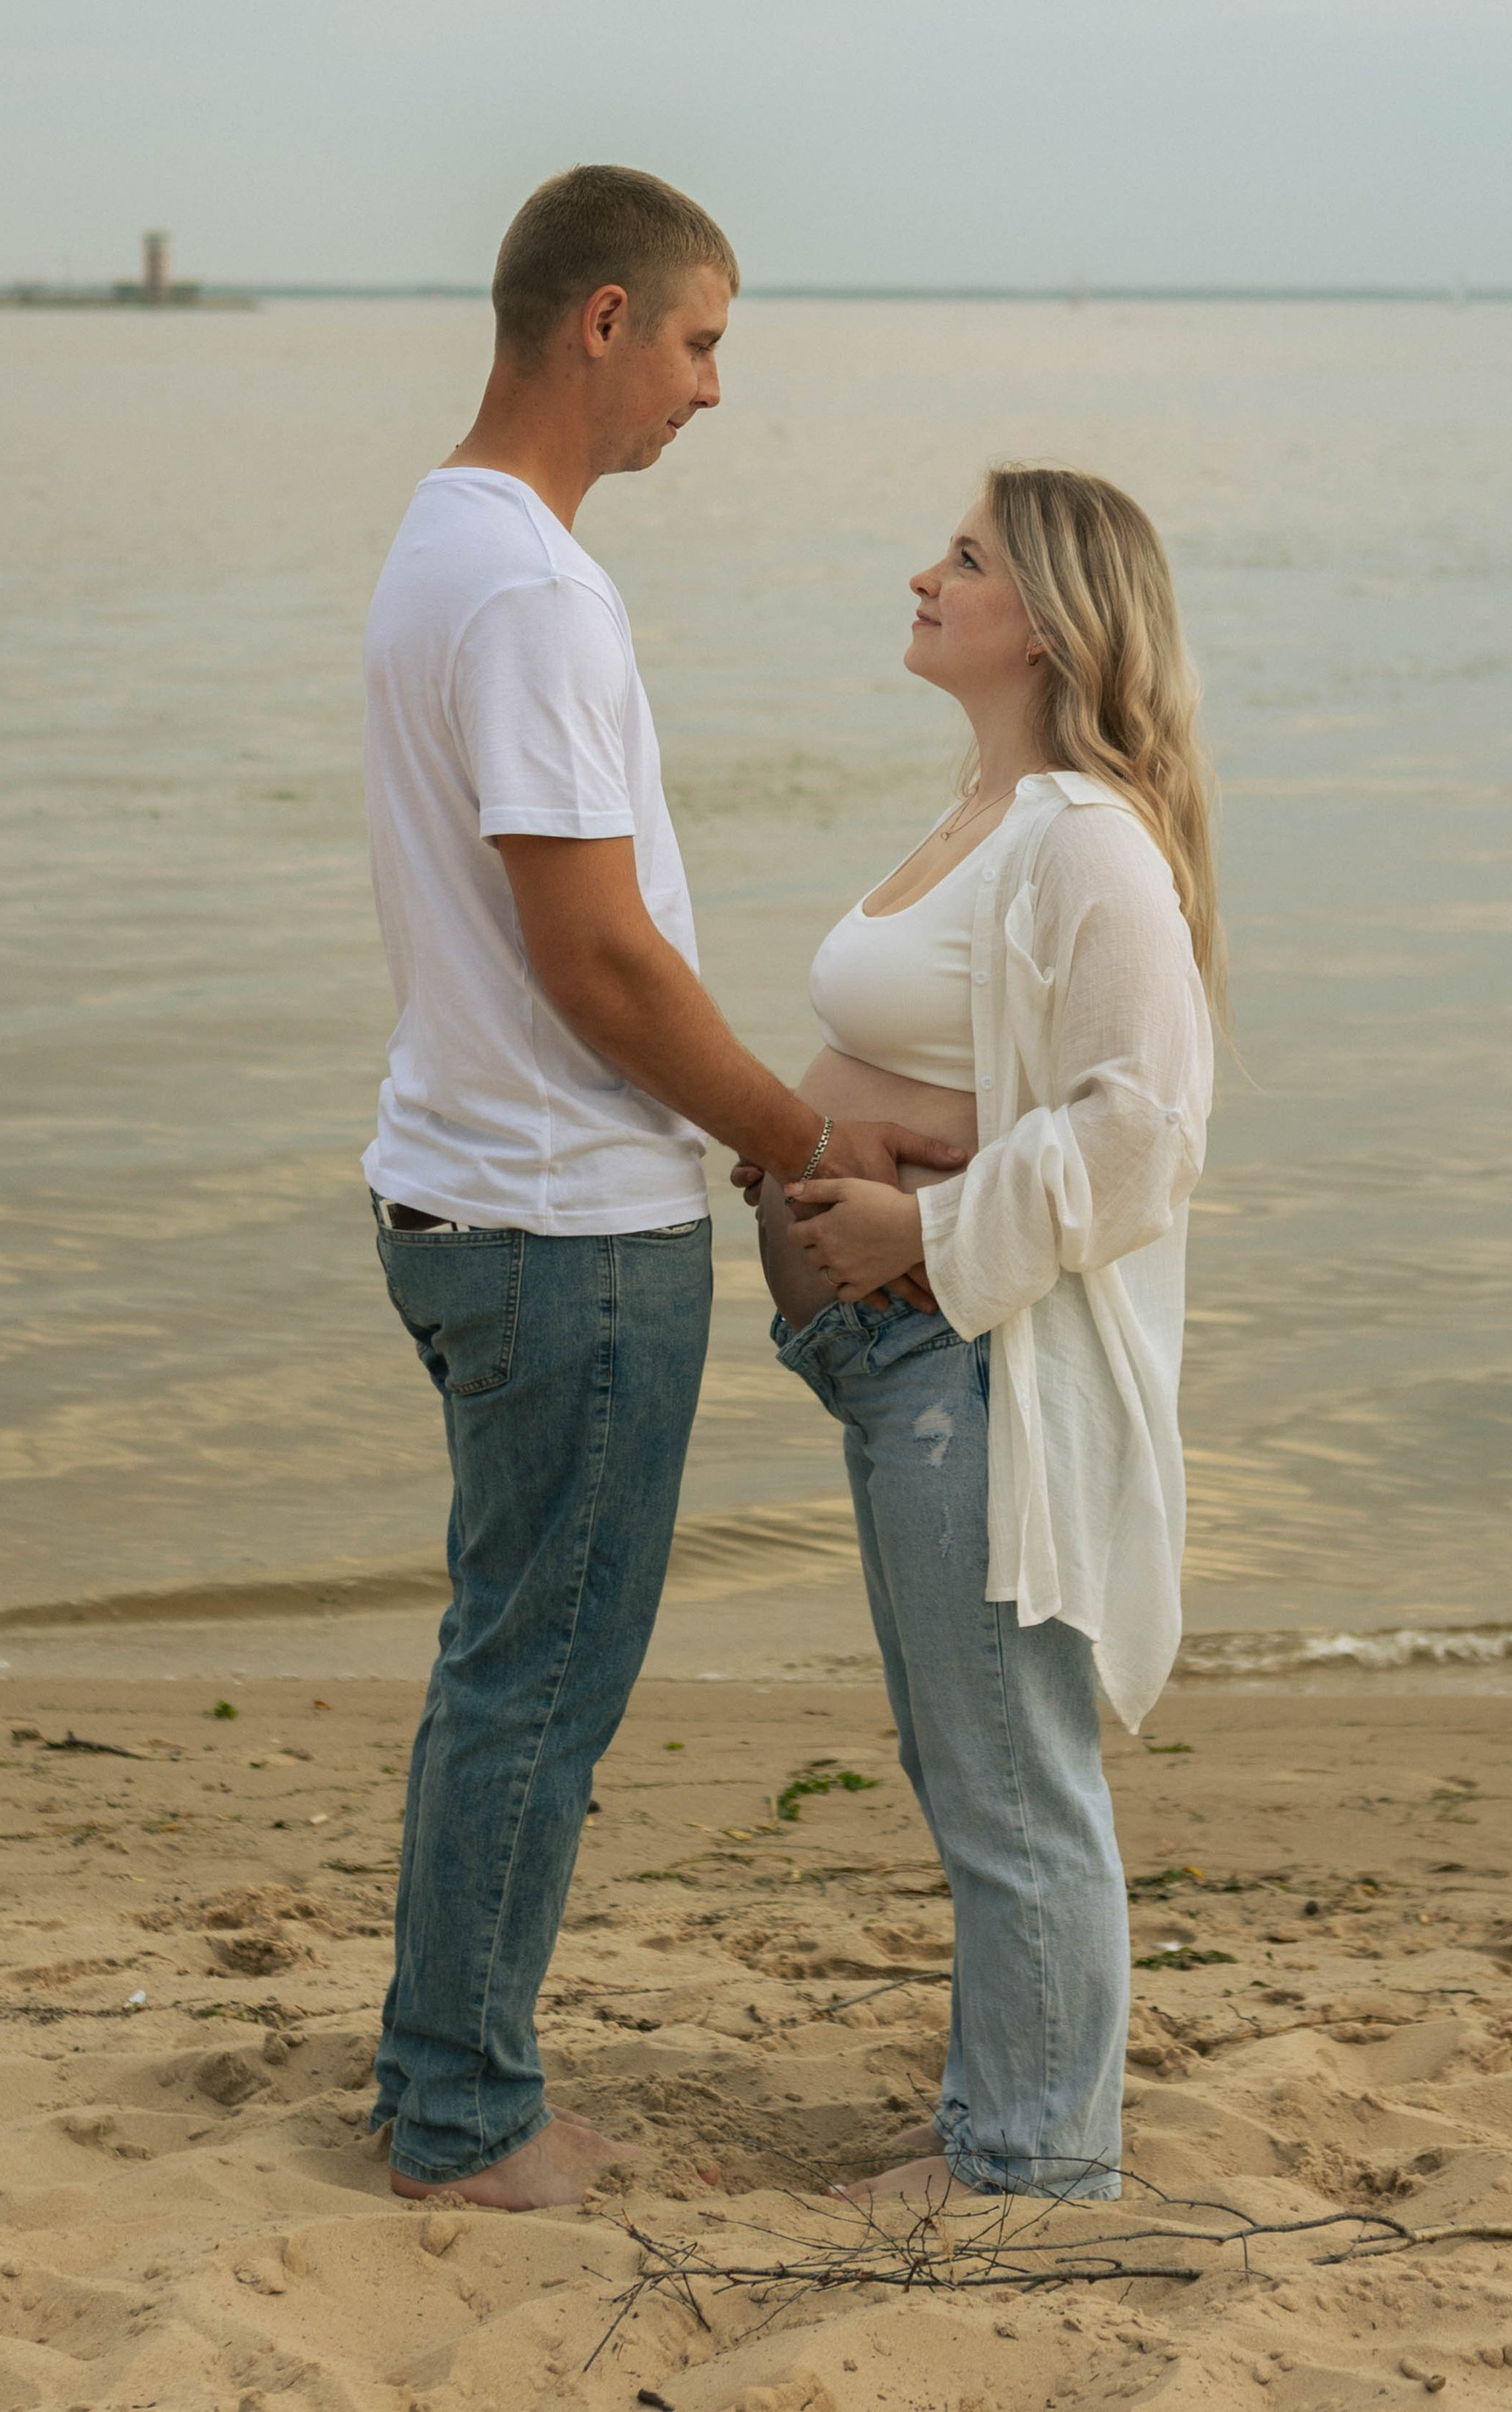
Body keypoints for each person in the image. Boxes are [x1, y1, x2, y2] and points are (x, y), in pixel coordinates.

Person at [360, 164, 964, 2214]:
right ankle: (459, 2118)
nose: (714, 389)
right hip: (551, 1228)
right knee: (539, 1678)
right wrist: (796, 1145)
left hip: (472, 1190)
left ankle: (449, 2077)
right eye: (701, 340)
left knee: (501, 1657)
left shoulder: (447, 544)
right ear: (599, 322)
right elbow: (595, 958)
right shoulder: (529, 587)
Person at [748, 464, 1217, 2208]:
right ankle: (1004, 2119)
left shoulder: (1087, 840)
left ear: (1053, 615)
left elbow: (1147, 1130)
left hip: (970, 1367)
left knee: (1013, 1784)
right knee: (968, 1762)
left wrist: (923, 1235)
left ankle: (1033, 2165)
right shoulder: (981, 812)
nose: (920, 575)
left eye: (961, 558)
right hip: (892, 1368)